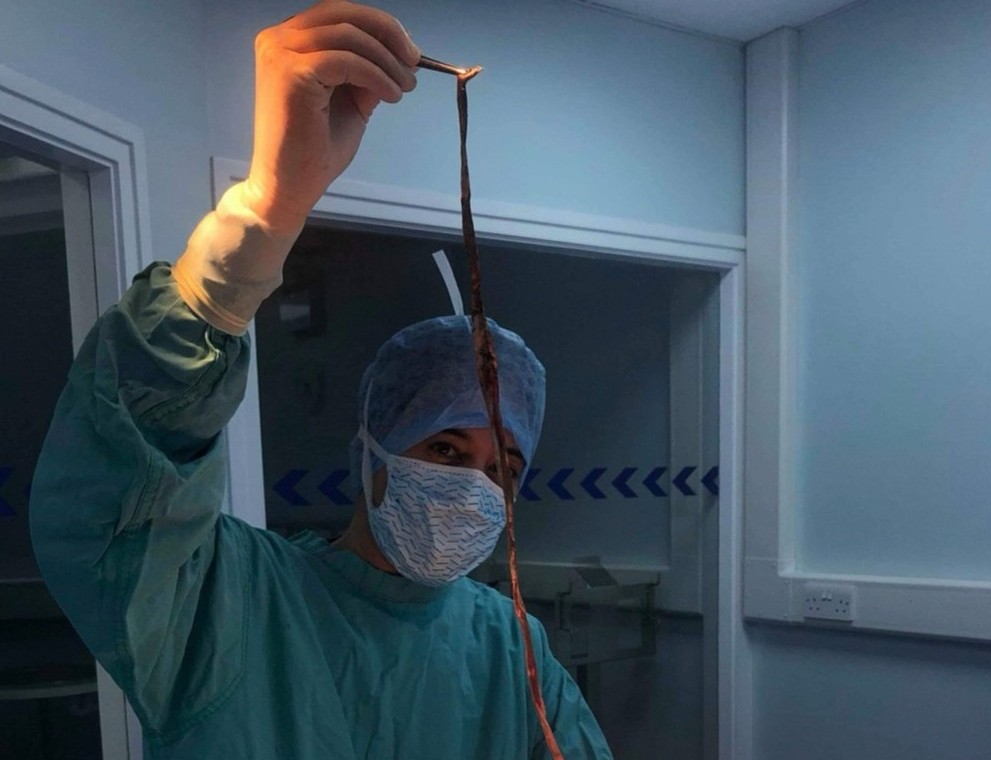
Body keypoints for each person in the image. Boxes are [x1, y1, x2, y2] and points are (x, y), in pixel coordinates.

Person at [29, 1, 614, 758]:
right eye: (443, 450)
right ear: (371, 452)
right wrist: (265, 213)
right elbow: (111, 487)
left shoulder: (510, 649)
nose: (473, 488)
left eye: (500, 468)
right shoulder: (226, 602)